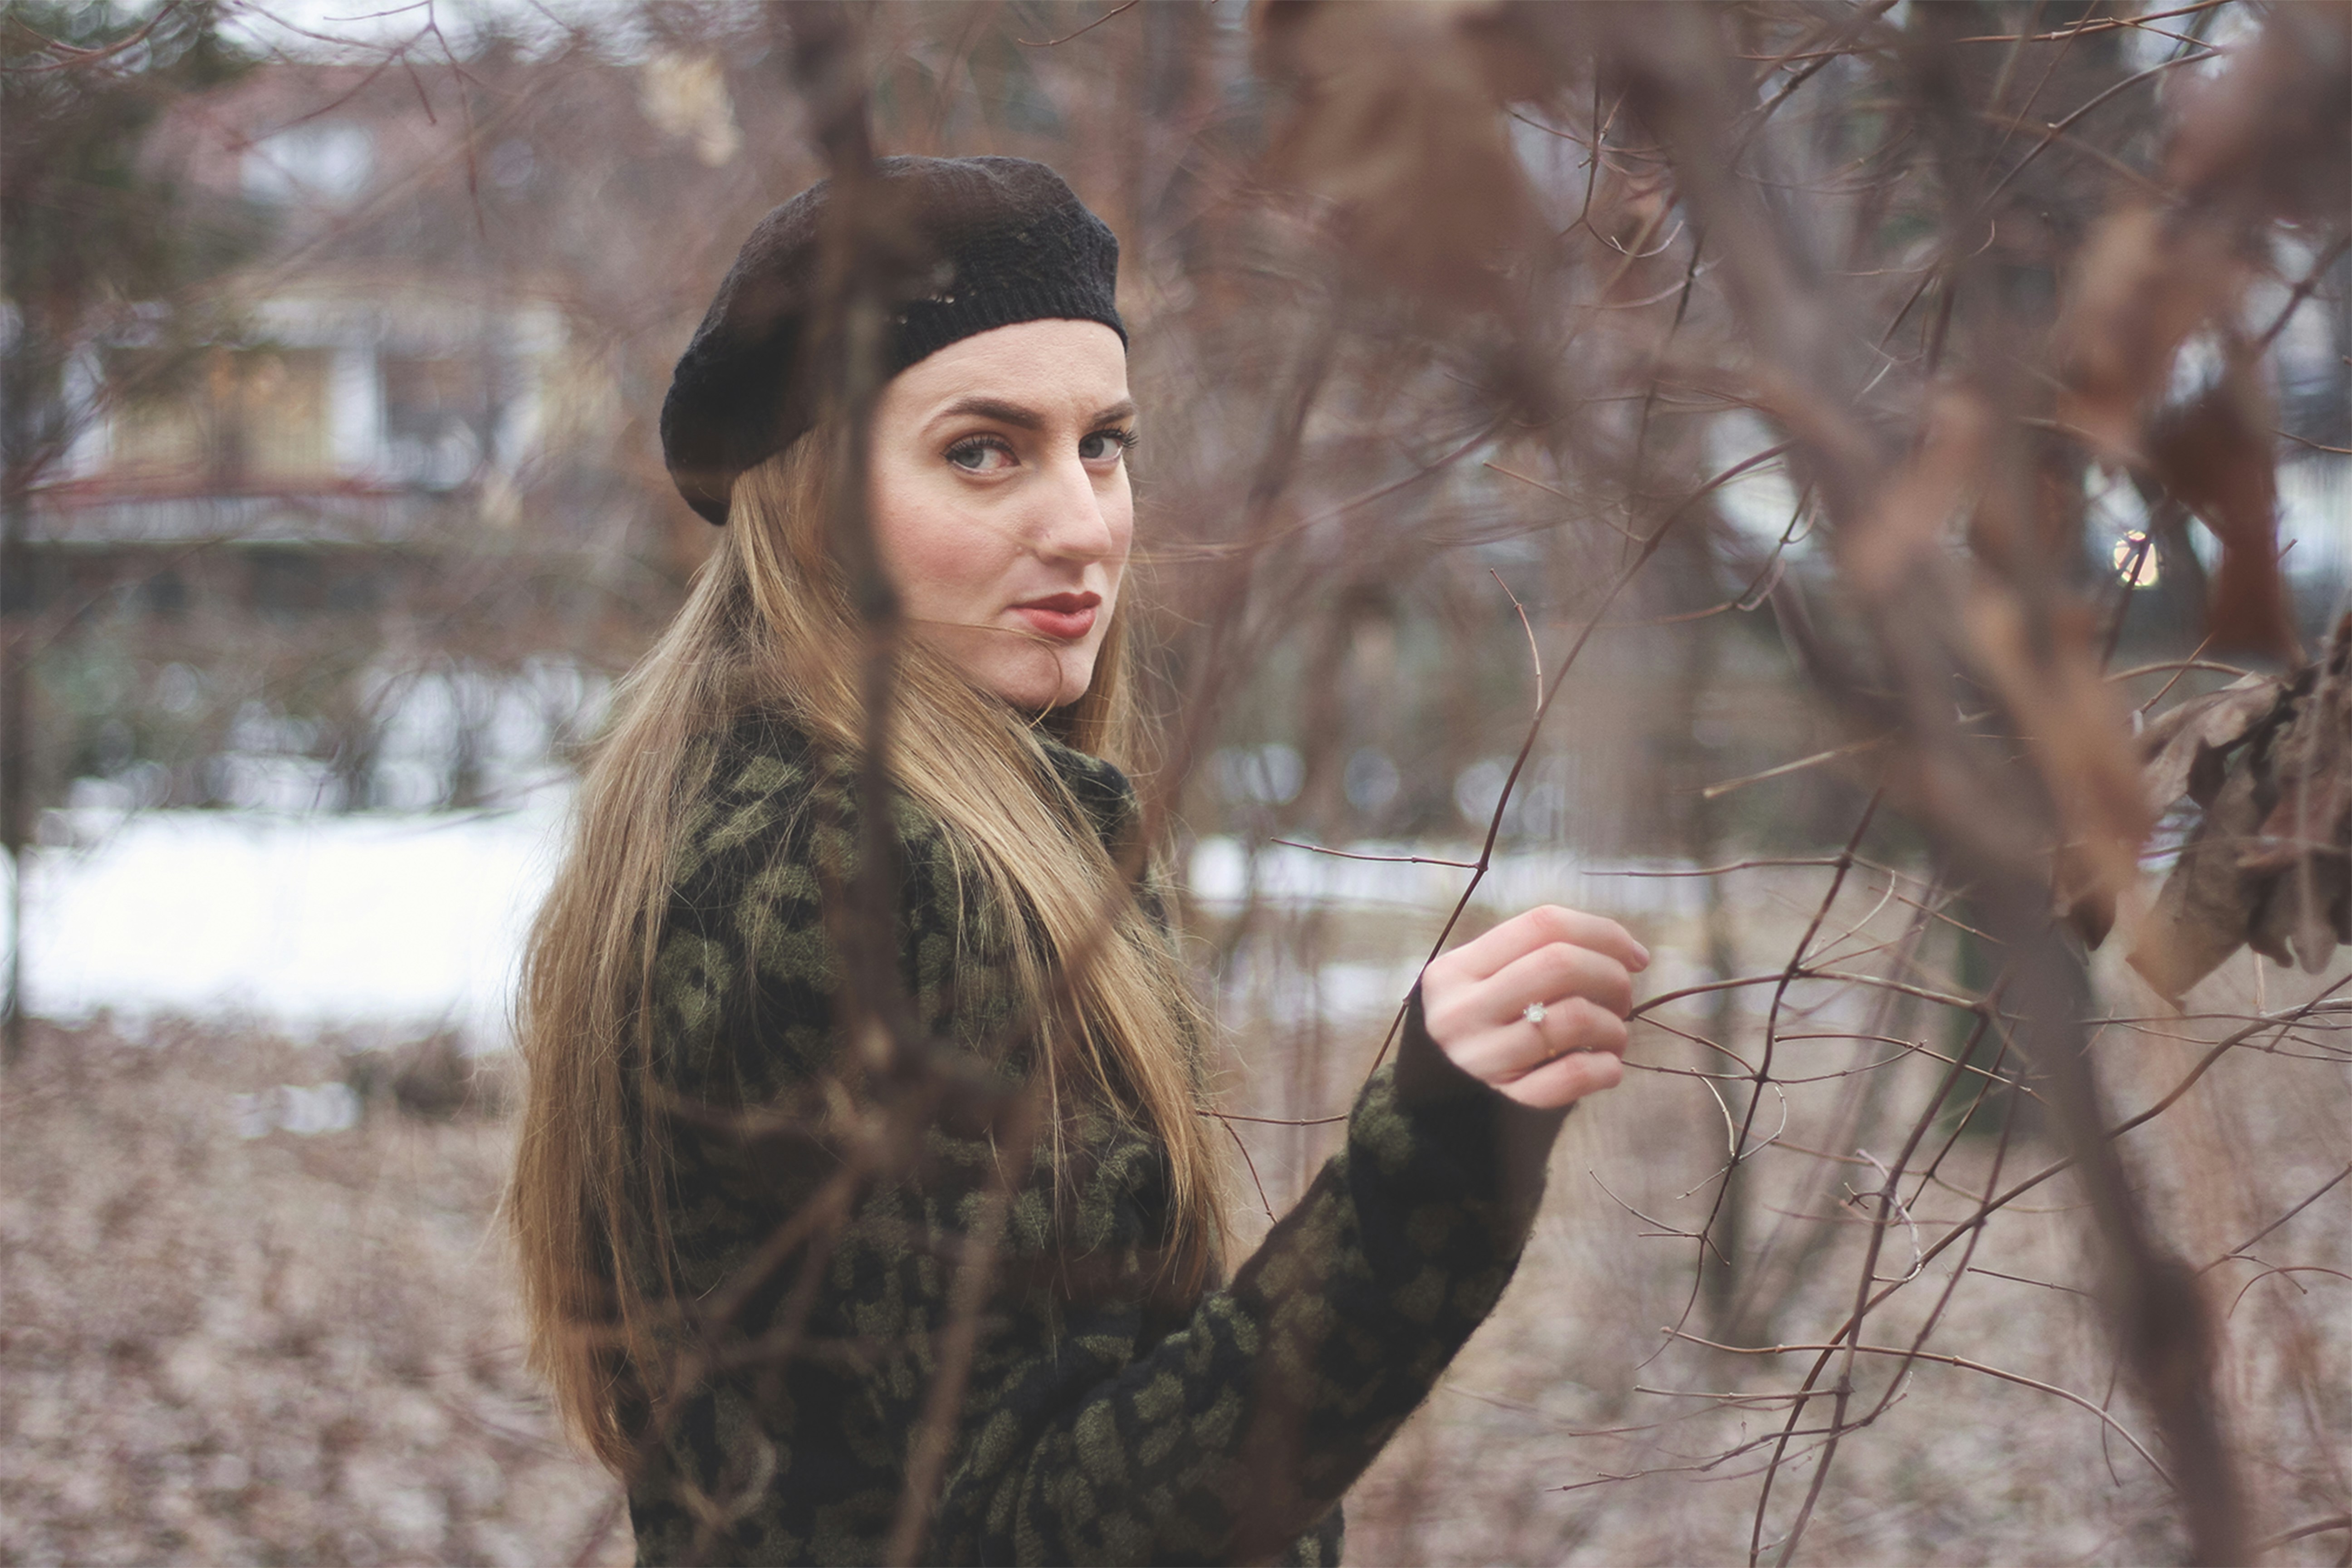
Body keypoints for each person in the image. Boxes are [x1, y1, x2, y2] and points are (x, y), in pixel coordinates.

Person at [507, 155, 1647, 1567]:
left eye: (1102, 445)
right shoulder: (878, 877)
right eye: (981, 452)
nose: (1082, 524)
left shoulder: (735, 799)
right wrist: (1427, 1180)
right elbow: (1030, 1531)